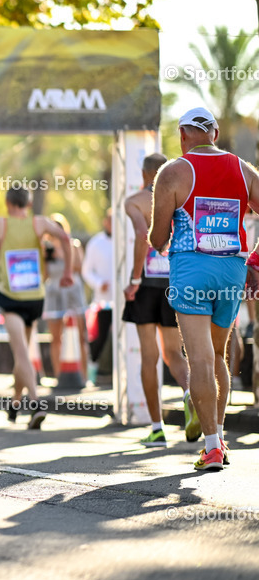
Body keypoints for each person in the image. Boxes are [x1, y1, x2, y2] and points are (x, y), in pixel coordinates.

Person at [150, 107, 259, 471]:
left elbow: (158, 237)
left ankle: (211, 447)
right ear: (215, 134)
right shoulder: (243, 170)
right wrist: (255, 259)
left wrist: (159, 236)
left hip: (191, 269)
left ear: (182, 135)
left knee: (199, 359)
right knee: (218, 356)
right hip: (232, 271)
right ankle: (220, 438)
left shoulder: (173, 172)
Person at [124, 153, 196, 447]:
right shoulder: (181, 197)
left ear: (144, 174)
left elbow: (142, 233)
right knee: (174, 353)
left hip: (146, 284)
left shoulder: (135, 201)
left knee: (149, 356)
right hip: (174, 280)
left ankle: (156, 429)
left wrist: (135, 279)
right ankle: (191, 393)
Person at [0, 185, 73, 429]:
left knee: (21, 353)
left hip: (11, 298)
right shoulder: (40, 223)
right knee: (22, 352)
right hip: (35, 297)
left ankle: (35, 403)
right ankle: (15, 403)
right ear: (28, 204)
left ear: (7, 203)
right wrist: (67, 272)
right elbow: (66, 238)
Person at [41, 213, 88, 381]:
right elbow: (44, 275)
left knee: (80, 336)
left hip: (73, 292)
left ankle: (84, 376)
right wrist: (46, 256)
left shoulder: (73, 245)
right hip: (54, 293)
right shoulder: (46, 248)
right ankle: (58, 376)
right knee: (55, 338)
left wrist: (64, 256)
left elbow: (80, 268)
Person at [82, 210, 114, 382]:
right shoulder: (95, 243)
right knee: (99, 337)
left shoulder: (127, 240)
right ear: (105, 222)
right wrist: (99, 283)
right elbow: (86, 271)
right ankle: (92, 372)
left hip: (124, 299)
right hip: (103, 300)